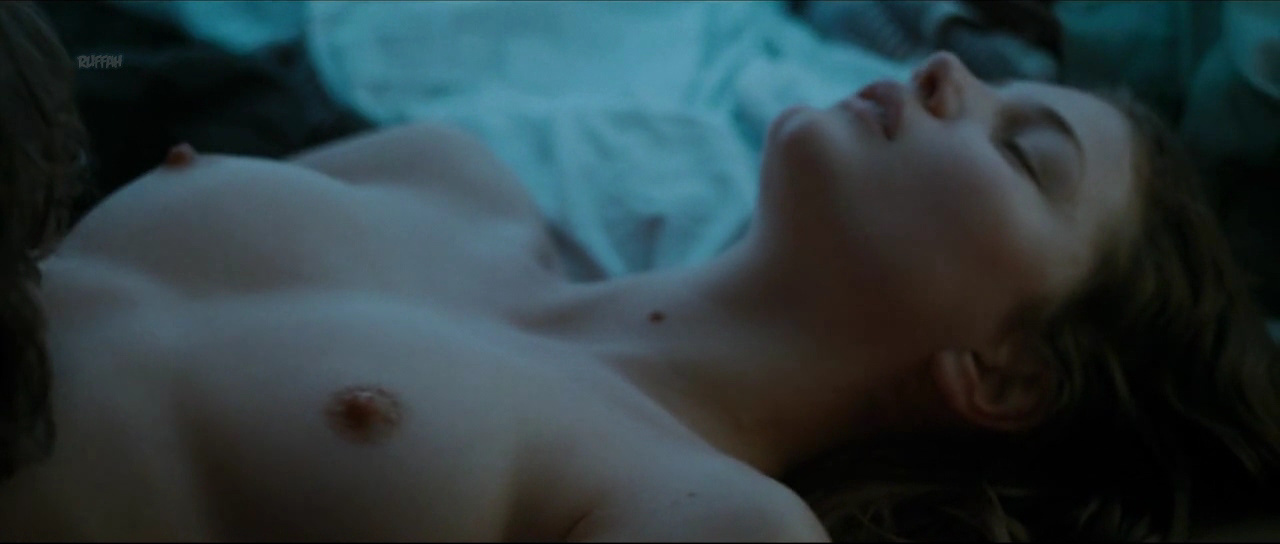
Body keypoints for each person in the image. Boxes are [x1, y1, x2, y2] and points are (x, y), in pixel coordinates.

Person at [2, 2, 1278, 541]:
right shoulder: (448, 175)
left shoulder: (706, 514)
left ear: (1001, 373)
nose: (948, 74)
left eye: (1022, 151)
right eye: (990, 82)